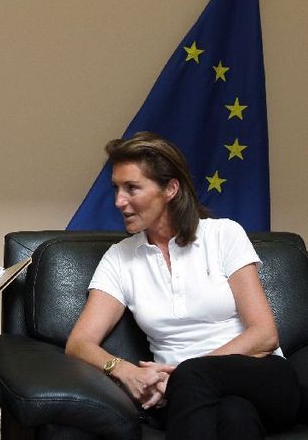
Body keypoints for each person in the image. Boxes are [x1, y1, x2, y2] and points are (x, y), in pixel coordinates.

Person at [65, 131, 300, 439]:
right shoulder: (120, 259)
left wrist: (181, 374)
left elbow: (264, 335)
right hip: (185, 396)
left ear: (171, 189)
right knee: (235, 416)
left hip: (261, 376)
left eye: (132, 188)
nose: (119, 201)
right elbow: (79, 343)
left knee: (197, 376)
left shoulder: (223, 235)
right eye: (116, 189)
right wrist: (126, 371)